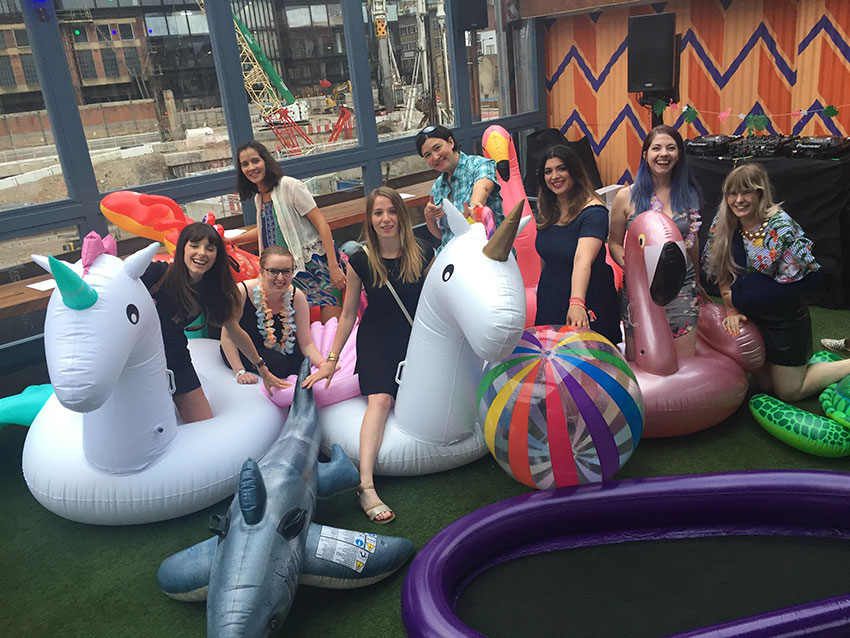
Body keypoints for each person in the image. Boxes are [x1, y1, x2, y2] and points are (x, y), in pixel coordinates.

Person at [304, 187, 434, 524]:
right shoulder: (360, 260)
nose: (385, 219)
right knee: (380, 401)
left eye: (391, 211)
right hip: (376, 338)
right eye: (378, 213)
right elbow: (348, 314)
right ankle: (366, 486)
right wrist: (331, 358)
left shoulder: (423, 251)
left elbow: (437, 304)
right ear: (370, 219)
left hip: (415, 339)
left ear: (401, 216)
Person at [702, 162, 850, 401]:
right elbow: (722, 268)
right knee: (766, 385)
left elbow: (806, 281)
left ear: (760, 194)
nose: (738, 199)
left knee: (789, 391)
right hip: (753, 316)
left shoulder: (780, 225)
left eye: (746, 192)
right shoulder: (724, 221)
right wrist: (731, 308)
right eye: (732, 193)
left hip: (784, 321)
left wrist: (747, 292)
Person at [141, 223, 289, 423]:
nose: (202, 253)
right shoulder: (156, 273)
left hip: (175, 356)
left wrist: (263, 369)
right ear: (183, 247)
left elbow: (235, 332)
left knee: (203, 421)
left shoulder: (212, 290)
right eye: (194, 246)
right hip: (139, 357)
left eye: (210, 249)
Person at [609, 124, 704, 359]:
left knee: (683, 358)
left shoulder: (688, 194)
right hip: (639, 288)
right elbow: (614, 243)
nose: (664, 154)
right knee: (639, 357)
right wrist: (632, 266)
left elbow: (692, 241)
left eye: (671, 148)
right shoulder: (626, 197)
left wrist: (698, 285)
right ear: (645, 155)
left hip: (682, 285)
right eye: (657, 148)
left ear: (679, 154)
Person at [232, 140, 345, 323]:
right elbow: (265, 230)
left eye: (255, 161)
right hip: (286, 270)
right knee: (293, 324)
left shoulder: (290, 186)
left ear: (266, 161)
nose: (251, 167)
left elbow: (321, 224)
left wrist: (334, 267)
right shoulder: (259, 198)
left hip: (315, 262)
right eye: (245, 164)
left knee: (332, 326)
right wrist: (232, 240)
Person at [534, 145, 621, 344]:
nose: (555, 176)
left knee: (590, 362)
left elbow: (582, 260)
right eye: (548, 171)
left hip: (587, 295)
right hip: (551, 294)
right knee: (555, 363)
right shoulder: (547, 209)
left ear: (574, 171)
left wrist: (577, 303)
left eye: (561, 168)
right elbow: (546, 254)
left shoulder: (594, 212)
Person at [219, 246, 334, 385]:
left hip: (279, 349)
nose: (280, 278)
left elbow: (306, 343)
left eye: (286, 272)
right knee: (279, 364)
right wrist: (240, 371)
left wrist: (323, 364)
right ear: (261, 271)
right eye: (273, 271)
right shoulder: (242, 292)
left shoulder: (297, 297)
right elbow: (227, 337)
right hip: (241, 349)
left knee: (300, 364)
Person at [415, 124, 504, 251]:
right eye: (427, 155)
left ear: (450, 142)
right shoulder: (438, 187)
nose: (435, 157)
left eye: (437, 148)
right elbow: (441, 235)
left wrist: (474, 205)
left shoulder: (479, 165)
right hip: (453, 258)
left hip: (488, 255)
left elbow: (483, 187)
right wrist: (429, 216)